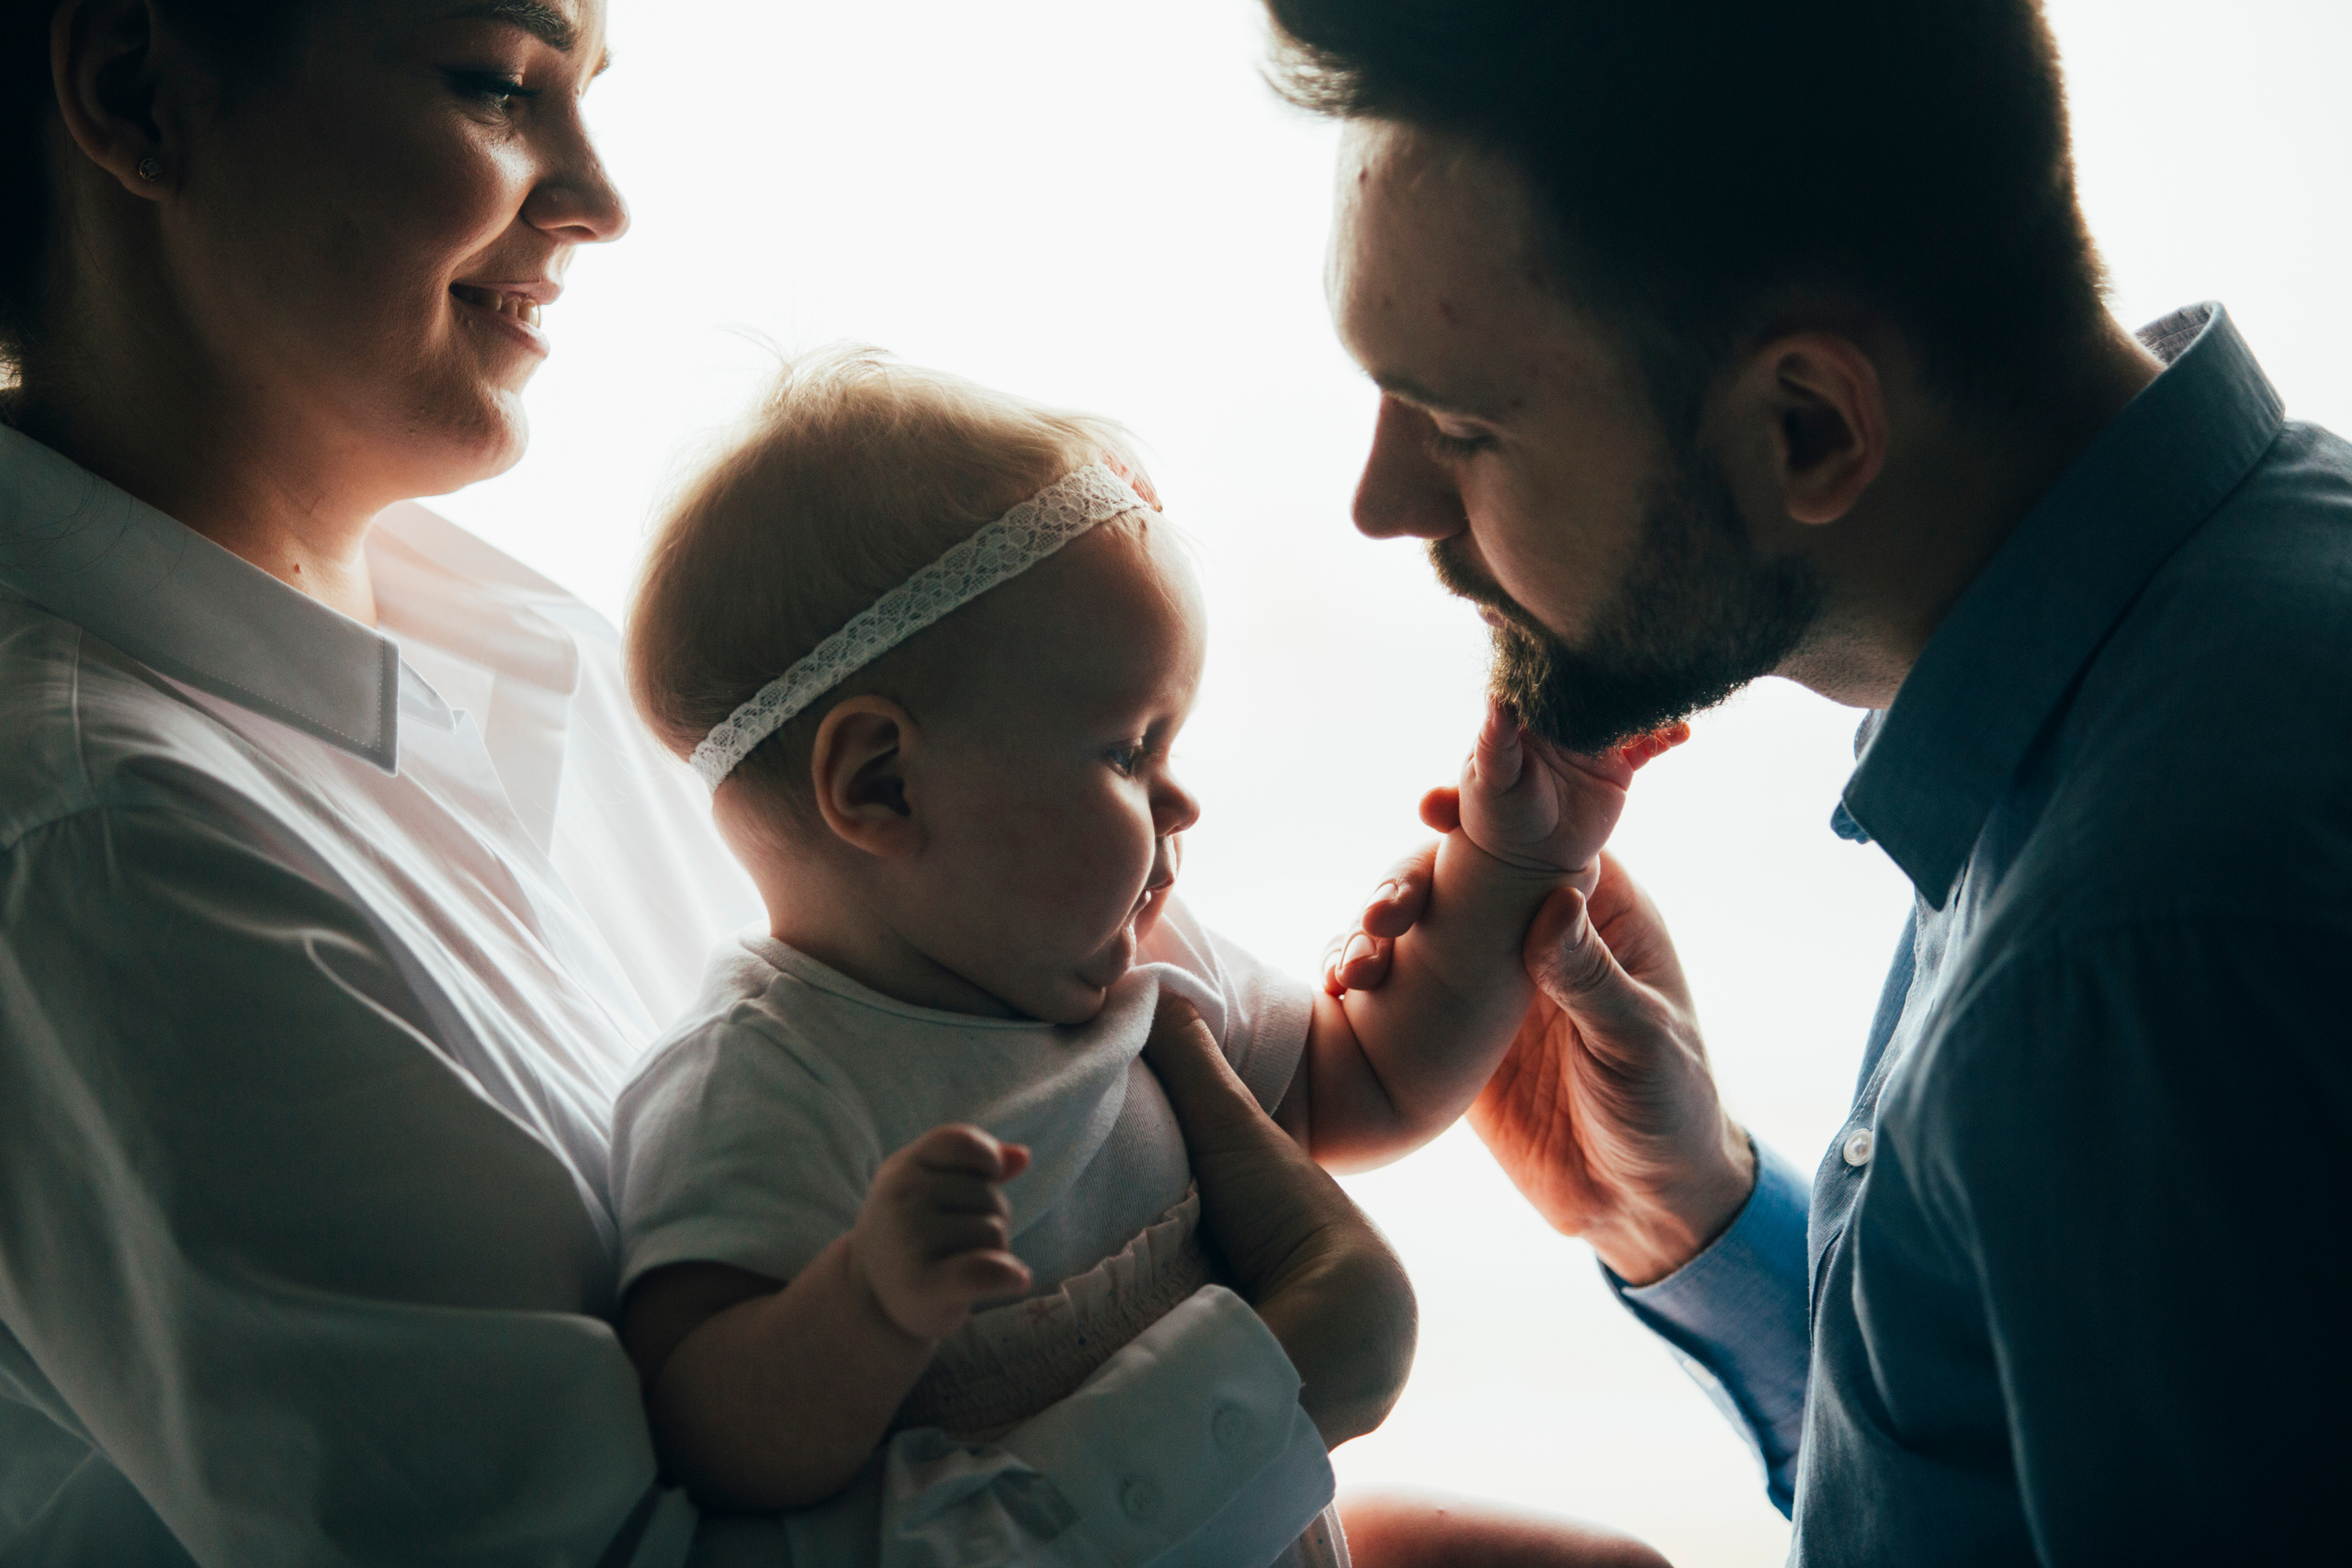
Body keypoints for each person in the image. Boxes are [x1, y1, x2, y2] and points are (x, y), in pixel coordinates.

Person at [0, 3, 1410, 1562]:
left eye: (587, 98)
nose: (601, 198)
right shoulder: (99, 851)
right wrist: (1267, 1386)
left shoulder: (530, 645)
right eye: (499, 84)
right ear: (135, 89)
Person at [1275, 0, 2352, 1562]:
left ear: (1809, 425)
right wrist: (1691, 1218)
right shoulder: (2227, 609)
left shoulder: (2137, 957)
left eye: (1459, 427)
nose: (1381, 502)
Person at [605, 350, 1680, 1564]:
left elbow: (1367, 1081)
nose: (1182, 800)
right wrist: (863, 1307)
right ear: (881, 783)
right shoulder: (768, 1081)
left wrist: (1515, 859)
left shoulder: (1138, 970)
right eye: (1128, 752)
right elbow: (705, 1432)